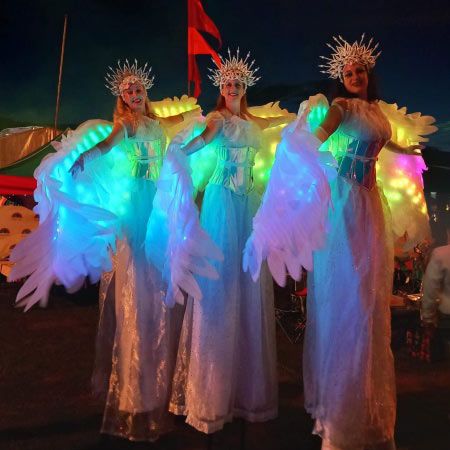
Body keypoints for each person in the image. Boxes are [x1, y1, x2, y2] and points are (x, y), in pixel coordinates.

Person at [244, 35, 435, 450]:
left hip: (371, 205)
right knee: (347, 295)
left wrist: (410, 150)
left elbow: (385, 141)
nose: (353, 76)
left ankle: (366, 400)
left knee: (369, 301)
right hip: (346, 202)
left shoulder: (376, 111)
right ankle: (340, 409)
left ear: (368, 74)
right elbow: (321, 138)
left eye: (358, 71)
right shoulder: (341, 108)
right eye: (347, 72)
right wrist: (304, 158)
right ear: (341, 79)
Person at [10, 59, 204, 442]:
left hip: (159, 207)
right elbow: (106, 144)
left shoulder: (156, 124)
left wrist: (196, 112)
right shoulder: (127, 125)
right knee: (135, 288)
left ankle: (164, 383)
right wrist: (84, 157)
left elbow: (183, 120)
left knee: (163, 284)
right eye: (127, 92)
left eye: (138, 90)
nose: (134, 95)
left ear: (146, 92)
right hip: (137, 208)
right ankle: (135, 386)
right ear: (121, 97)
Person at [167, 49, 293, 434]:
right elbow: (201, 142)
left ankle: (245, 391)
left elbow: (276, 126)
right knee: (219, 284)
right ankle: (211, 394)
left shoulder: (252, 121)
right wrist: (176, 152)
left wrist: (301, 126)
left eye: (238, 83)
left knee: (248, 284)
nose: (233, 87)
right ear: (221, 90)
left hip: (248, 204)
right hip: (222, 205)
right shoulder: (218, 119)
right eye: (227, 84)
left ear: (244, 87)